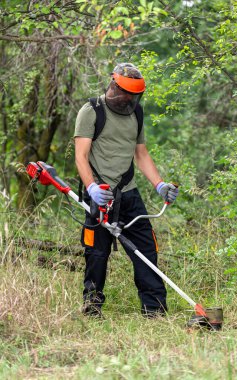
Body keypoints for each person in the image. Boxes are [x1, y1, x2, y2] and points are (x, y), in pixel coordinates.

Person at [74, 63, 178, 317]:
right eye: (126, 93)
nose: (129, 99)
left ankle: (154, 310)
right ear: (114, 86)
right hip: (100, 194)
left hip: (129, 194)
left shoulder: (136, 113)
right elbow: (81, 156)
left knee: (146, 251)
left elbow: (140, 154)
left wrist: (160, 185)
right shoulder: (92, 111)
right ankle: (92, 308)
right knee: (97, 254)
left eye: (134, 95)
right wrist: (92, 188)